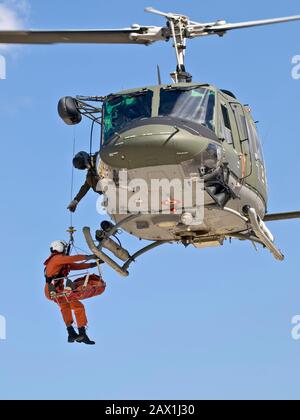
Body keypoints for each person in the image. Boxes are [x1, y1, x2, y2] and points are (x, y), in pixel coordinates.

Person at [44, 240, 98, 345]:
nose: (65, 250)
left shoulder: (61, 261)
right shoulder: (56, 259)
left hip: (58, 290)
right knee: (68, 307)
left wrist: (93, 264)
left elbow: (75, 266)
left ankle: (78, 333)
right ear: (59, 247)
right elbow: (72, 259)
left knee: (75, 306)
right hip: (52, 290)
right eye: (64, 248)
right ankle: (75, 333)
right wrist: (88, 257)